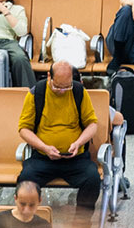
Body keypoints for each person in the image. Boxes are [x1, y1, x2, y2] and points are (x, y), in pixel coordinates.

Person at [16, 63, 103, 210]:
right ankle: (28, 219)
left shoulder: (78, 91)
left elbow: (92, 124)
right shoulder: (36, 93)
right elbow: (24, 129)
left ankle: (82, 222)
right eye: (57, 87)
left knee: (92, 178)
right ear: (49, 76)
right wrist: (44, 147)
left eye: (66, 87)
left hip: (75, 159)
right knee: (25, 179)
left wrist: (78, 143)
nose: (62, 91)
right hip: (43, 157)